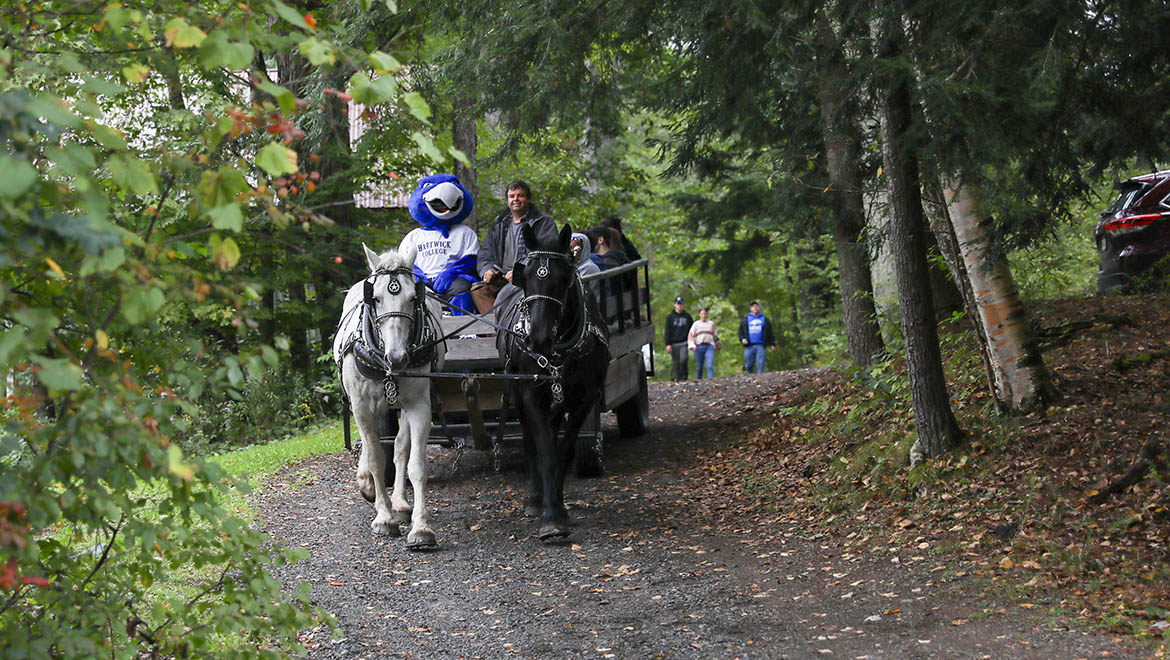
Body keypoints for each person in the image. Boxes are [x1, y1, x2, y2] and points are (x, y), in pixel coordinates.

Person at [470, 180, 558, 314]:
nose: (515, 199)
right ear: (507, 200)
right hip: (502, 278)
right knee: (478, 291)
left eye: (520, 195)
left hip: (531, 278)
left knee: (514, 294)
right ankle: (497, 327)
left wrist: (520, 270)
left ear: (528, 199)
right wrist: (487, 270)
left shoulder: (543, 224)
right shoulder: (499, 226)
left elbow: (546, 254)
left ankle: (513, 326)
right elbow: (485, 254)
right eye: (512, 196)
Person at [398, 174, 479, 315]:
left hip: (454, 281)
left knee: (461, 289)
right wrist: (417, 276)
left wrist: (450, 273)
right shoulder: (413, 236)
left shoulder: (465, 232)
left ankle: (465, 330)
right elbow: (404, 263)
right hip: (422, 282)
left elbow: (470, 260)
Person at [737, 300, 776, 374]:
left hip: (760, 344)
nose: (755, 308)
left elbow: (770, 332)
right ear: (750, 308)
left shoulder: (765, 319)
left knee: (760, 363)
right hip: (749, 345)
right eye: (753, 307)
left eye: (756, 306)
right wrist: (742, 339)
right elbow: (740, 331)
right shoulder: (745, 319)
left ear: (759, 308)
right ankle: (750, 376)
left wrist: (772, 343)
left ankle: (760, 378)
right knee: (748, 364)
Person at [663, 296, 694, 381]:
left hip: (684, 342)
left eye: (681, 304)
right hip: (674, 343)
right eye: (678, 304)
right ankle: (678, 378)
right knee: (675, 362)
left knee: (683, 360)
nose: (679, 306)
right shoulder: (670, 317)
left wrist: (692, 342)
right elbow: (667, 331)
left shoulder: (687, 317)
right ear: (674, 305)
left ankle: (684, 377)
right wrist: (668, 344)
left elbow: (692, 330)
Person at [687, 307, 720, 379]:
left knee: (709, 364)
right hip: (699, 346)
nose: (704, 315)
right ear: (699, 314)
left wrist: (718, 344)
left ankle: (711, 380)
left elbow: (715, 335)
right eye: (702, 313)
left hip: (709, 346)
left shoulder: (711, 324)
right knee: (699, 366)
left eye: (705, 313)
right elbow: (691, 335)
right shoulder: (696, 324)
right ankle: (699, 381)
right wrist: (691, 345)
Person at [570, 231, 602, 300]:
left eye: (576, 249)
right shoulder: (568, 267)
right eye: (569, 248)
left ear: (584, 250)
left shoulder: (590, 268)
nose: (572, 252)